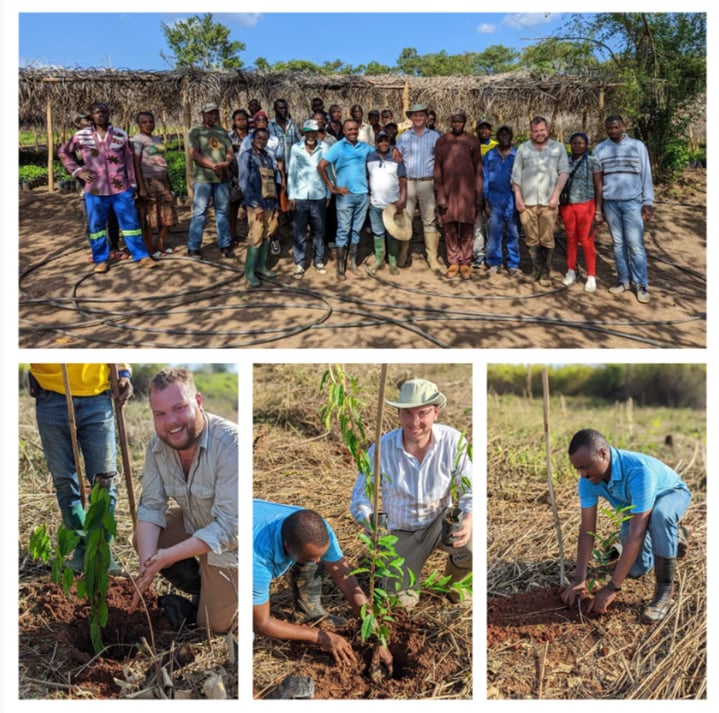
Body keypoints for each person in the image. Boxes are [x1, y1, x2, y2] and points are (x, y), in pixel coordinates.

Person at [130, 367, 238, 634]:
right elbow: (151, 507)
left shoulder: (231, 444)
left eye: (179, 408)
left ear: (198, 402)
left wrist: (165, 557)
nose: (171, 421)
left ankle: (225, 595)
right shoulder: (157, 446)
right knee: (145, 538)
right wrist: (147, 569)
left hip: (232, 547)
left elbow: (230, 527)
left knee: (213, 627)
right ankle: (204, 586)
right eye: (160, 414)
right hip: (195, 527)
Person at [350, 379, 473, 608]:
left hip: (439, 522)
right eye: (407, 413)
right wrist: (367, 521)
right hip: (400, 531)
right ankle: (396, 578)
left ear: (436, 412)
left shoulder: (452, 442)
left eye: (423, 413)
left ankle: (454, 585)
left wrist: (468, 520)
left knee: (472, 546)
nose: (414, 422)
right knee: (401, 606)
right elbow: (360, 495)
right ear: (398, 414)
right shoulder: (381, 448)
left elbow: (469, 490)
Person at [561, 429, 692, 624]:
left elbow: (637, 535)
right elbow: (587, 530)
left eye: (586, 467)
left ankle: (665, 589)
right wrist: (580, 578)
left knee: (660, 516)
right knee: (636, 569)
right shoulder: (587, 480)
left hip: (670, 494)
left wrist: (612, 587)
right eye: (578, 468)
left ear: (603, 454)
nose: (583, 474)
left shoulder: (638, 471)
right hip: (638, 506)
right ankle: (672, 536)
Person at [253, 500, 394, 671]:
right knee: (221, 623)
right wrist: (321, 637)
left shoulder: (317, 529)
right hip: (231, 547)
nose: (319, 562)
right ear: (287, 547)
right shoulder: (256, 561)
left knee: (313, 557)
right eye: (312, 558)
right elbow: (261, 623)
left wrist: (378, 637)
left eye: (321, 555)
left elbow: (346, 579)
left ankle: (308, 610)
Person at [29, 363, 133, 574]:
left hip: (97, 397)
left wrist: (122, 371)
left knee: (104, 480)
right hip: (50, 395)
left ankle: (102, 550)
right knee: (64, 479)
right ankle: (81, 547)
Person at [58, 102, 156, 273]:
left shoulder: (120, 135)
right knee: (96, 227)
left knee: (130, 223)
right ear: (91, 115)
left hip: (121, 189)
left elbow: (128, 161)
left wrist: (132, 184)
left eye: (104, 111)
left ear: (109, 113)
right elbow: (64, 152)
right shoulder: (81, 136)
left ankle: (141, 255)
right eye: (97, 112)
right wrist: (78, 171)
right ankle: (101, 259)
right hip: (95, 190)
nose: (101, 114)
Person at [593, 115, 654, 304]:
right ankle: (623, 280)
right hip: (611, 203)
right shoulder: (600, 149)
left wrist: (648, 201)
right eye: (610, 128)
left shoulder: (637, 147)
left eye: (616, 127)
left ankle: (641, 284)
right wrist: (599, 207)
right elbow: (598, 180)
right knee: (618, 245)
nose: (613, 131)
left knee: (635, 245)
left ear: (623, 126)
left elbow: (646, 174)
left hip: (632, 202)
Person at [511, 116, 569, 282]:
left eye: (542, 130)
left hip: (549, 202)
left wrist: (556, 195)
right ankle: (535, 270)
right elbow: (516, 175)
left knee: (547, 238)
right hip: (527, 202)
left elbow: (564, 172)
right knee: (531, 237)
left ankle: (546, 273)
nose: (539, 134)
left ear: (547, 130)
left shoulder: (558, 148)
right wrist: (518, 197)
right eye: (535, 131)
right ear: (531, 132)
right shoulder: (523, 149)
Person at [317, 119, 373, 280]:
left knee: (356, 230)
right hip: (345, 196)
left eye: (355, 129)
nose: (353, 132)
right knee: (343, 230)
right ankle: (340, 267)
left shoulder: (364, 147)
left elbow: (379, 153)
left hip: (362, 195)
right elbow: (321, 166)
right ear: (344, 130)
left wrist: (393, 151)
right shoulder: (338, 147)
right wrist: (332, 187)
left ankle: (352, 262)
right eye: (349, 129)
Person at [434, 111, 483, 280]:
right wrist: (440, 195)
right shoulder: (442, 141)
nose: (457, 124)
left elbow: (478, 169)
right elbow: (438, 170)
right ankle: (453, 261)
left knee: (468, 229)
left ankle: (465, 262)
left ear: (464, 122)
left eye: (460, 121)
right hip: (448, 193)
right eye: (454, 121)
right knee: (450, 228)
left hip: (467, 193)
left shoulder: (472, 141)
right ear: (450, 122)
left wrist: (478, 195)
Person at [395, 104, 441, 272]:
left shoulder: (435, 137)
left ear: (426, 117)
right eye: (415, 115)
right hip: (408, 183)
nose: (418, 118)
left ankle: (432, 257)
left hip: (427, 183)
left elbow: (439, 162)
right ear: (411, 118)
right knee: (405, 219)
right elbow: (398, 161)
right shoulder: (403, 138)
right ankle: (403, 253)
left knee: (429, 219)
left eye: (421, 115)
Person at [186, 102, 235, 259]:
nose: (213, 116)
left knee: (222, 212)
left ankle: (225, 244)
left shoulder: (222, 132)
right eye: (210, 113)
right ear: (203, 114)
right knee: (200, 213)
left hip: (221, 179)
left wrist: (226, 163)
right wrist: (213, 165)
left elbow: (229, 152)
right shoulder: (196, 131)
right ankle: (193, 247)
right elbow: (194, 154)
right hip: (203, 179)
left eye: (215, 113)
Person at [558, 132, 603, 293]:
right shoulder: (565, 162)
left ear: (586, 145)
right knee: (570, 238)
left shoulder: (593, 161)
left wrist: (598, 209)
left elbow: (598, 187)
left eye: (580, 143)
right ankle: (571, 270)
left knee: (587, 240)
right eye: (574, 143)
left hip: (587, 204)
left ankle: (591, 275)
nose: (577, 146)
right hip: (568, 205)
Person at [131, 111, 178, 259]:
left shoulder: (156, 139)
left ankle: (160, 244)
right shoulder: (137, 140)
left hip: (162, 181)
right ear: (138, 124)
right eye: (144, 122)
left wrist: (168, 181)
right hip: (148, 181)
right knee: (150, 217)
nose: (148, 124)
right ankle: (149, 248)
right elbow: (136, 164)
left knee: (168, 213)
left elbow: (161, 161)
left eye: (150, 121)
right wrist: (141, 187)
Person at [239, 127, 282, 287]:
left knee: (267, 234)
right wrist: (254, 204)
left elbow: (272, 183)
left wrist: (276, 205)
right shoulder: (247, 156)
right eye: (259, 138)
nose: (261, 141)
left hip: (269, 203)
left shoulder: (268, 158)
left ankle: (261, 266)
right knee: (256, 235)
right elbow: (243, 183)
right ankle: (249, 272)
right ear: (253, 139)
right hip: (256, 205)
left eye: (264, 138)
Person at [287, 119, 330, 278]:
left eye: (313, 132)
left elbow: (329, 172)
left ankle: (318, 260)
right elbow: (292, 172)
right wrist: (291, 195)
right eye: (308, 132)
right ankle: (300, 263)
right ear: (304, 133)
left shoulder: (325, 147)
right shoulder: (296, 148)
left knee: (319, 230)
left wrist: (328, 193)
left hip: (319, 195)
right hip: (300, 195)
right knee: (299, 230)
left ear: (318, 132)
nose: (311, 135)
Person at [366, 130, 407, 274]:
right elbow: (368, 177)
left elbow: (402, 180)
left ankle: (393, 261)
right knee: (378, 233)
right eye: (380, 140)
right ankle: (379, 260)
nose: (383, 143)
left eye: (386, 140)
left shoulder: (396, 158)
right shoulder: (370, 157)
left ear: (390, 142)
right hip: (376, 204)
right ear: (376, 142)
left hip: (392, 205)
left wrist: (402, 199)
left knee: (392, 233)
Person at [483, 125, 520, 277]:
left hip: (512, 198)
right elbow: (484, 178)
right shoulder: (490, 155)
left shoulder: (518, 155)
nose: (504, 137)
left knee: (513, 233)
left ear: (511, 137)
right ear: (497, 137)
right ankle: (494, 262)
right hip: (494, 199)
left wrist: (520, 200)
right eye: (501, 134)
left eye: (507, 134)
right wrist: (486, 201)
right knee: (494, 233)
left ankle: (513, 263)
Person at [472, 119, 498, 269]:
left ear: (490, 131)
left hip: (492, 190)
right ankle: (479, 253)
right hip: (475, 189)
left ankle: (492, 254)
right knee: (477, 224)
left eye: (486, 129)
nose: (484, 131)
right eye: (481, 128)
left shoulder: (496, 146)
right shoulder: (472, 145)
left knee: (492, 224)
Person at [228, 109, 250, 243]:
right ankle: (232, 235)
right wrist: (237, 175)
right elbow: (227, 158)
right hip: (234, 178)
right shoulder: (229, 137)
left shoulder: (252, 136)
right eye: (239, 119)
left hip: (250, 178)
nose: (242, 122)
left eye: (244, 119)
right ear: (234, 122)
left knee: (251, 208)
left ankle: (253, 235)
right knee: (233, 208)